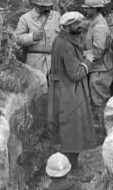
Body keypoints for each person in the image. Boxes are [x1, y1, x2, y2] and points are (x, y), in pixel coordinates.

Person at [47, 12, 96, 173]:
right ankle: (70, 171)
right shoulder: (67, 46)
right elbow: (75, 74)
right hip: (69, 92)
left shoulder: (61, 40)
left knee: (68, 131)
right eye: (77, 24)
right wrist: (89, 60)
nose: (80, 26)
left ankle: (68, 168)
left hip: (62, 89)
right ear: (67, 27)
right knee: (71, 130)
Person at [81, 0, 113, 135]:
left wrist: (81, 55)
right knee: (97, 100)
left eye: (87, 9)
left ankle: (105, 132)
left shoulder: (99, 27)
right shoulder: (94, 23)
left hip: (101, 69)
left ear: (94, 9)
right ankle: (102, 130)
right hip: (97, 68)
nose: (85, 11)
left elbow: (98, 52)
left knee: (100, 101)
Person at [15, 0, 61, 78]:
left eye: (49, 6)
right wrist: (32, 37)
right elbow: (18, 39)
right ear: (36, 5)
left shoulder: (56, 16)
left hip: (54, 61)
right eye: (43, 7)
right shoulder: (25, 18)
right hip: (35, 63)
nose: (47, 9)